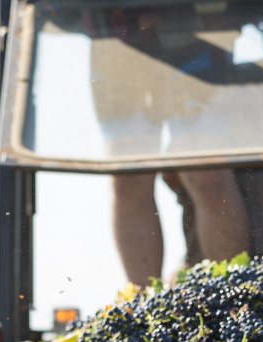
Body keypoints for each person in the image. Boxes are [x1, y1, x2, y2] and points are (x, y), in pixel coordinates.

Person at [88, 10, 249, 284]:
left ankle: (230, 295)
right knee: (128, 175)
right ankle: (141, 306)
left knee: (207, 174)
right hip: (117, 37)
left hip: (195, 30)